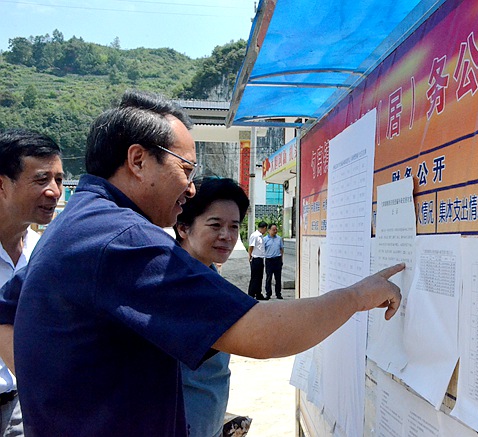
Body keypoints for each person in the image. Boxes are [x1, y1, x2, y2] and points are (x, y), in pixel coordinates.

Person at [0, 90, 402, 437]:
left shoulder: (77, 222)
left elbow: (6, 310)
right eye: (185, 169)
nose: (191, 188)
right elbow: (262, 332)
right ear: (137, 160)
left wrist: (60, 388)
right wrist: (356, 297)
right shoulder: (122, 238)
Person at [173, 177, 248, 437]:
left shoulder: (212, 278)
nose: (227, 236)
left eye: (234, 226)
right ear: (183, 227)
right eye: (215, 225)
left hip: (208, 422)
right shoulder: (172, 285)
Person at [0, 129, 63, 437]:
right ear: (2, 184)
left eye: (59, 180)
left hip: (21, 408)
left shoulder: (45, 255)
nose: (54, 191)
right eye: (41, 180)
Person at [247, 221, 267, 300]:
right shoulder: (255, 235)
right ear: (264, 228)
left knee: (259, 277)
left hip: (261, 258)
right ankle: (251, 294)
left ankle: (258, 293)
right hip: (255, 258)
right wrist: (250, 256)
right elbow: (251, 247)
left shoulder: (261, 236)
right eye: (265, 229)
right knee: (254, 277)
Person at [263, 223, 284, 300]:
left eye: (276, 229)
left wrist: (281, 259)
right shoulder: (265, 239)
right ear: (269, 230)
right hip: (269, 260)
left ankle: (278, 293)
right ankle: (268, 294)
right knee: (269, 277)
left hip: (277, 259)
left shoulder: (279, 238)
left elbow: (281, 249)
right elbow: (263, 250)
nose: (275, 231)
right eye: (273, 230)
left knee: (278, 278)